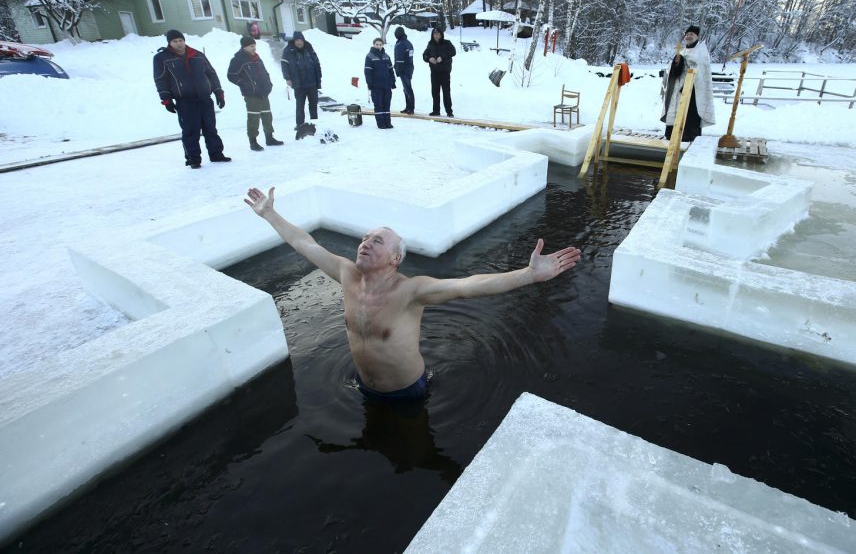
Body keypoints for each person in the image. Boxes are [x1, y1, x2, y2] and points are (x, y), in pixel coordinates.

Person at [243, 186, 582, 401]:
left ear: (395, 259)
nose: (365, 243)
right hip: (365, 388)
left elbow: (467, 286)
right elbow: (305, 243)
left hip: (407, 392)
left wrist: (527, 274)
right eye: (365, 238)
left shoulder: (410, 291)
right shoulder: (346, 274)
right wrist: (270, 213)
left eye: (378, 241)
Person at [153, 29, 230, 169]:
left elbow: (211, 74)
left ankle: (216, 154)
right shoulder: (162, 58)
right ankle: (193, 159)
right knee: (190, 131)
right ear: (169, 43)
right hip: (185, 101)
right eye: (175, 41)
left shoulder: (198, 55)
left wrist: (218, 92)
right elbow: (160, 80)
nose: (179, 44)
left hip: (205, 99)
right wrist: (166, 99)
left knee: (210, 129)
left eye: (180, 40)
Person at [227, 36, 283, 151]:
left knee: (267, 115)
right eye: (251, 46)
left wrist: (269, 83)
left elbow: (264, 72)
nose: (254, 48)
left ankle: (269, 138)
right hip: (251, 95)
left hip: (263, 92)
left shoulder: (256, 58)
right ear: (244, 47)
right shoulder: (238, 59)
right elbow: (231, 75)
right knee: (253, 118)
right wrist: (245, 85)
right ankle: (253, 142)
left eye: (254, 46)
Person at [661, 25, 715, 142]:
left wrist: (687, 64)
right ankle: (672, 135)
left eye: (692, 34)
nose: (689, 36)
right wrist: (677, 63)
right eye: (687, 34)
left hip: (694, 88)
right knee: (675, 109)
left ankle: (689, 136)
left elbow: (700, 68)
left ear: (697, 36)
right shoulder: (682, 51)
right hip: (678, 87)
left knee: (690, 112)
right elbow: (675, 72)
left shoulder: (701, 51)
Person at [281, 30, 322, 133]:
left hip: (312, 83)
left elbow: (317, 63)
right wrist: (287, 78)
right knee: (300, 105)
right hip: (299, 83)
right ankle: (300, 125)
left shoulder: (309, 49)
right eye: (297, 40)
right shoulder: (288, 51)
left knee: (313, 104)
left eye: (301, 40)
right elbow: (284, 65)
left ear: (303, 41)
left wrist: (319, 76)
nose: (299, 42)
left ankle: (314, 123)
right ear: (294, 41)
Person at [422, 27, 456, 117]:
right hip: (434, 72)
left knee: (446, 92)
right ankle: (436, 111)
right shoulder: (430, 44)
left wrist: (442, 57)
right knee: (435, 92)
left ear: (441, 34)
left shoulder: (447, 43)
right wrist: (429, 58)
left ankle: (449, 111)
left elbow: (453, 51)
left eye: (438, 34)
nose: (436, 36)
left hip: (445, 72)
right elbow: (424, 55)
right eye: (434, 34)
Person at [364, 37, 396, 129]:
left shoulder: (386, 56)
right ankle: (381, 123)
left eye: (380, 44)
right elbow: (367, 72)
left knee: (387, 104)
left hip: (386, 85)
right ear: (373, 45)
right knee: (378, 105)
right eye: (377, 44)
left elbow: (391, 70)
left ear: (383, 45)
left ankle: (388, 123)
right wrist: (369, 83)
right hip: (376, 86)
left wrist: (392, 82)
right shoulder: (369, 56)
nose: (378, 46)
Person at [393, 26, 415, 115]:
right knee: (406, 88)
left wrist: (398, 70)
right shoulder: (409, 43)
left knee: (407, 88)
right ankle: (408, 107)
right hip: (409, 68)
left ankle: (411, 108)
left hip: (403, 70)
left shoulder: (400, 44)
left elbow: (399, 60)